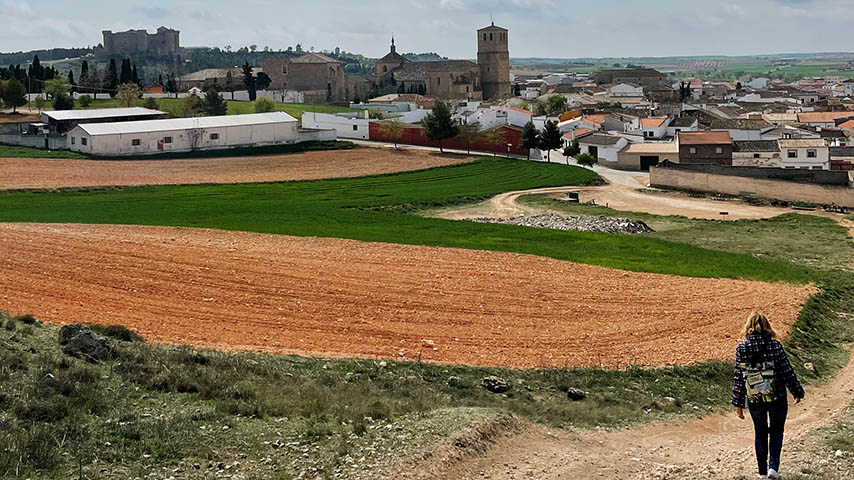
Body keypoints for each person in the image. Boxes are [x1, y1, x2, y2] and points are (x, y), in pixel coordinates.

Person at [732, 312, 805, 480]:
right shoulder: (775, 346)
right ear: (767, 327)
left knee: (760, 433)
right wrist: (796, 391)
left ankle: (762, 473)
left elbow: (739, 377)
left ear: (748, 327)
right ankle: (773, 468)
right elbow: (786, 371)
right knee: (777, 431)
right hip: (777, 396)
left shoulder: (741, 348)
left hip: (755, 398)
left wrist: (738, 403)